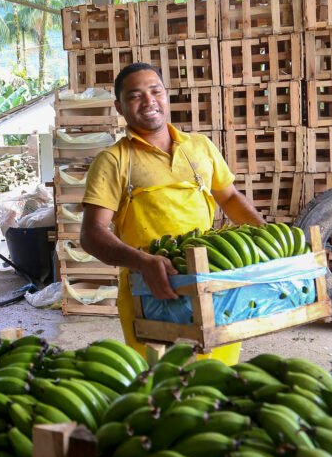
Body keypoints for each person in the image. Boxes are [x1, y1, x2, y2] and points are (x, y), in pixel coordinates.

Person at [79, 63, 264, 355]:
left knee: (217, 380)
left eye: (156, 91)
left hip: (211, 279)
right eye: (136, 95)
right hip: (151, 289)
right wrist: (143, 262)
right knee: (162, 384)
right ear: (119, 106)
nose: (149, 101)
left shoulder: (200, 146)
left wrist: (265, 236)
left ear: (166, 96)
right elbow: (91, 234)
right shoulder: (113, 161)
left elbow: (229, 198)